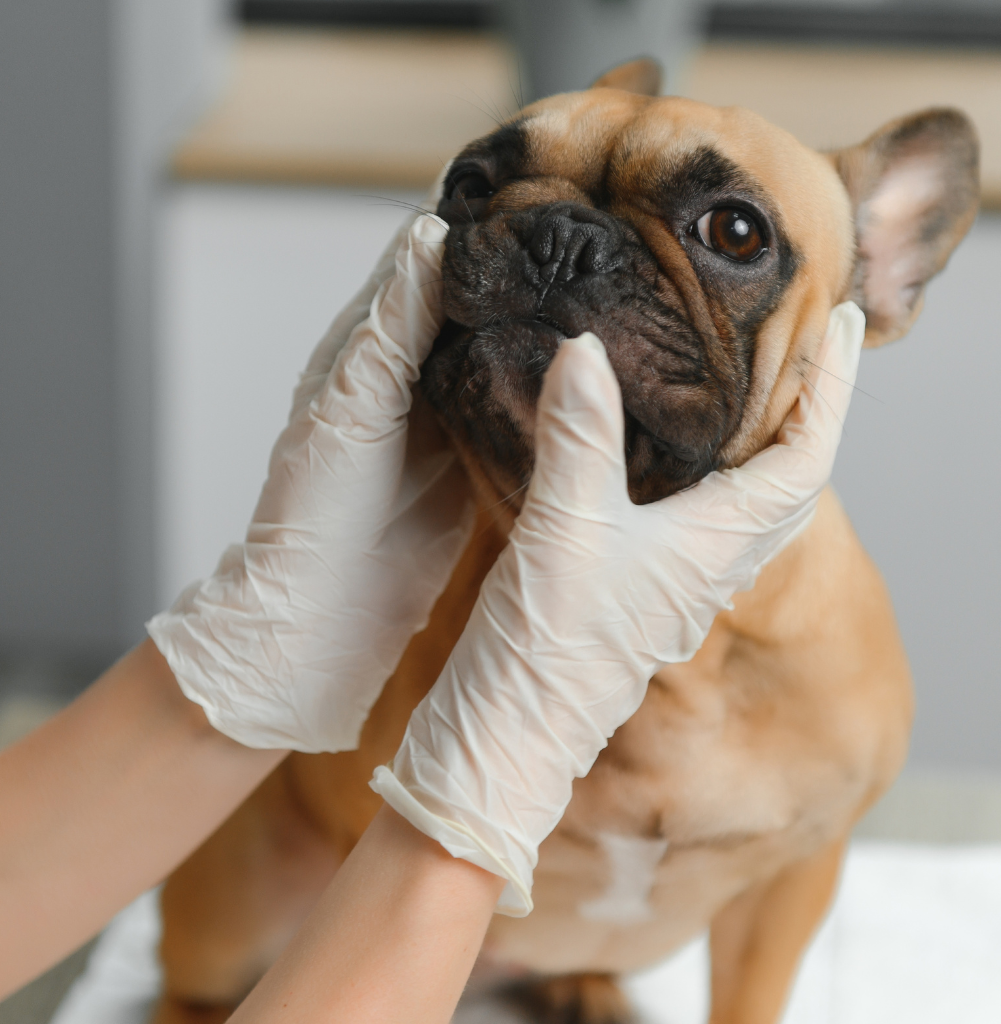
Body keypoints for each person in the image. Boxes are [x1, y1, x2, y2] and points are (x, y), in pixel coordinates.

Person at [0, 214, 865, 1023]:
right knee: (209, 958)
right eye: (485, 190)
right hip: (328, 863)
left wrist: (230, 681)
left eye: (730, 233)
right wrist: (260, 647)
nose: (564, 250)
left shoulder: (843, 696)